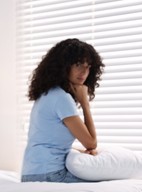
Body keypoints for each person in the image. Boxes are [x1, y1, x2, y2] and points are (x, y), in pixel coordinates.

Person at [21, 38, 105, 183]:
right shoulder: (62, 98)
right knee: (106, 184)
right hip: (51, 174)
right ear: (63, 66)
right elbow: (91, 143)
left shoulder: (47, 94)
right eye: (78, 65)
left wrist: (80, 151)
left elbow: (49, 141)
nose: (84, 72)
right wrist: (85, 103)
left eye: (88, 66)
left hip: (32, 173)